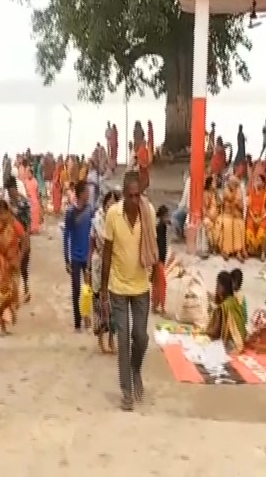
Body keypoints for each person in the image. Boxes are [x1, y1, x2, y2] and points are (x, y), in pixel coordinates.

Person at [100, 171, 158, 411]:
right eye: (131, 196)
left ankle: (136, 369)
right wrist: (103, 291)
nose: (135, 200)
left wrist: (155, 273)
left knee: (141, 338)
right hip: (118, 287)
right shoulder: (112, 215)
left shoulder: (149, 212)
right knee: (122, 340)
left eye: (138, 195)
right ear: (123, 195)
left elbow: (154, 245)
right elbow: (106, 253)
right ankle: (126, 391)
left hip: (142, 285)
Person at [88, 190, 119, 354]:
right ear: (105, 203)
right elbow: (92, 244)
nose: (111, 205)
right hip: (99, 263)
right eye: (109, 202)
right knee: (99, 301)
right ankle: (101, 339)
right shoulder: (97, 222)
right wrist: (88, 268)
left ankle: (112, 339)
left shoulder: (120, 222)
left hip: (115, 265)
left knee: (115, 303)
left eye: (115, 202)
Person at [0, 200, 25, 334]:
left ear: (9, 212)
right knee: (2, 294)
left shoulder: (15, 225)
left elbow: (25, 240)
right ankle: (3, 323)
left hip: (13, 264)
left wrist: (19, 258)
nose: (2, 216)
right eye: (0, 213)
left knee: (14, 294)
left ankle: (10, 313)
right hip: (1, 265)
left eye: (5, 213)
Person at [63, 181, 92, 331]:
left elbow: (93, 233)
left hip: (87, 257)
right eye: (86, 192)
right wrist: (66, 259)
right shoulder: (70, 212)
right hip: (74, 257)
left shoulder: (90, 210)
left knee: (87, 290)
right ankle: (77, 321)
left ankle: (87, 317)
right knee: (76, 290)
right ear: (80, 194)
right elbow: (66, 235)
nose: (89, 195)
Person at [5, 176, 32, 302]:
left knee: (23, 265)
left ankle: (26, 288)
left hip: (23, 238)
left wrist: (26, 240)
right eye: (9, 193)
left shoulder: (23, 202)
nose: (11, 194)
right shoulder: (8, 203)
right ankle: (15, 291)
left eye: (12, 191)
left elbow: (28, 223)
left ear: (15, 189)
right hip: (12, 239)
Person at [205, 271, 246, 353]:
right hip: (241, 339)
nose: (216, 288)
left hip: (231, 345)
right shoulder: (234, 300)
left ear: (223, 287)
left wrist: (203, 332)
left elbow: (215, 332)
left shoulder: (223, 307)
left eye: (217, 285)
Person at [216, 176, 247, 262]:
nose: (231, 184)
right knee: (228, 224)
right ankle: (226, 251)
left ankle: (238, 252)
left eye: (233, 183)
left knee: (239, 225)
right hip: (226, 214)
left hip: (236, 215)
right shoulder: (226, 190)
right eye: (230, 182)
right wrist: (234, 197)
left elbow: (241, 206)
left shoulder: (239, 191)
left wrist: (238, 205)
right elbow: (229, 200)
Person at [246, 174, 266, 260]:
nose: (257, 182)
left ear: (263, 183)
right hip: (252, 215)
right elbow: (249, 208)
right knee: (249, 226)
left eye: (259, 181)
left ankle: (262, 253)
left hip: (263, 216)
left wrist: (261, 218)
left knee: (262, 231)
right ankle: (250, 249)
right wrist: (253, 217)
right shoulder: (251, 193)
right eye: (256, 180)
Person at [152, 205, 169, 314]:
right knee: (161, 282)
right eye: (166, 216)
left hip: (160, 258)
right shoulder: (159, 228)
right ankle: (161, 306)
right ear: (162, 217)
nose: (168, 218)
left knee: (157, 282)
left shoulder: (163, 227)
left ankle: (155, 304)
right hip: (158, 259)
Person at [171, 171, 190, 239]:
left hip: (190, 209)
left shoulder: (189, 181)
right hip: (189, 208)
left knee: (176, 215)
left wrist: (180, 206)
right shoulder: (189, 181)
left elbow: (184, 200)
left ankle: (180, 234)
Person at [203, 175, 221, 248]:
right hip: (208, 216)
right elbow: (204, 210)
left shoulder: (214, 193)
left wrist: (216, 192)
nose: (215, 184)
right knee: (208, 223)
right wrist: (211, 217)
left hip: (216, 215)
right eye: (214, 182)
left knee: (221, 224)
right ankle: (212, 246)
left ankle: (218, 246)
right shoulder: (205, 194)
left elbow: (220, 204)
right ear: (210, 184)